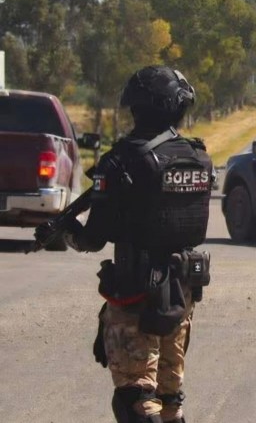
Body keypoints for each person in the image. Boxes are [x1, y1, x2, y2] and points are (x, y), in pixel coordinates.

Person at [48, 66, 213, 422]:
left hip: (136, 291)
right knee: (170, 399)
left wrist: (66, 232)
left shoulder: (122, 160)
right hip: (181, 293)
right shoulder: (198, 156)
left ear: (139, 107)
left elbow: (93, 238)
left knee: (136, 399)